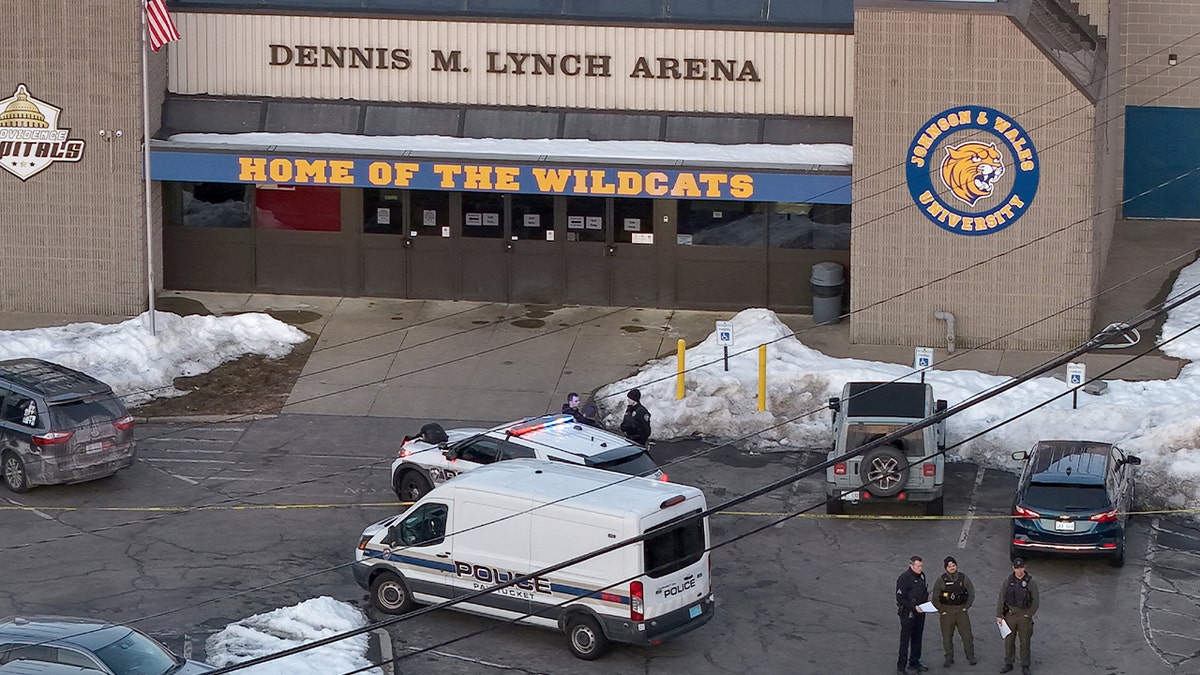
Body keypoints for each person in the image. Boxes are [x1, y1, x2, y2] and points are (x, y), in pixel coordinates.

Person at [995, 558, 1039, 675]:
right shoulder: (1008, 581)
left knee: (1025, 642)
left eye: (1021, 567)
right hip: (1010, 616)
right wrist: (999, 615)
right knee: (1009, 641)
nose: (1019, 570)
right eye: (1017, 568)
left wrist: (1028, 615)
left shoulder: (1030, 582)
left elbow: (1035, 601)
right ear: (1013, 568)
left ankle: (1025, 664)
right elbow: (1001, 598)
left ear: (1024, 567)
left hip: (1024, 617)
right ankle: (1009, 662)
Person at [931, 556, 976, 667]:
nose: (952, 568)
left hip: (961, 611)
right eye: (949, 566)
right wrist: (942, 611)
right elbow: (935, 598)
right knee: (947, 637)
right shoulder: (941, 580)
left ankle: (970, 656)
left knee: (967, 636)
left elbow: (971, 593)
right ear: (946, 568)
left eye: (953, 565)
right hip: (947, 612)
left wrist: (966, 607)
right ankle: (949, 658)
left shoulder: (963, 578)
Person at [896, 555, 931, 674]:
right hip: (908, 614)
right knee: (905, 641)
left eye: (921, 565)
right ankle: (901, 667)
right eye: (918, 566)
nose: (920, 568)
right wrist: (913, 607)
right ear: (911, 565)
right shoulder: (904, 578)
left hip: (920, 613)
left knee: (917, 639)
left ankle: (914, 662)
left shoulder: (921, 577)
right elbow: (900, 598)